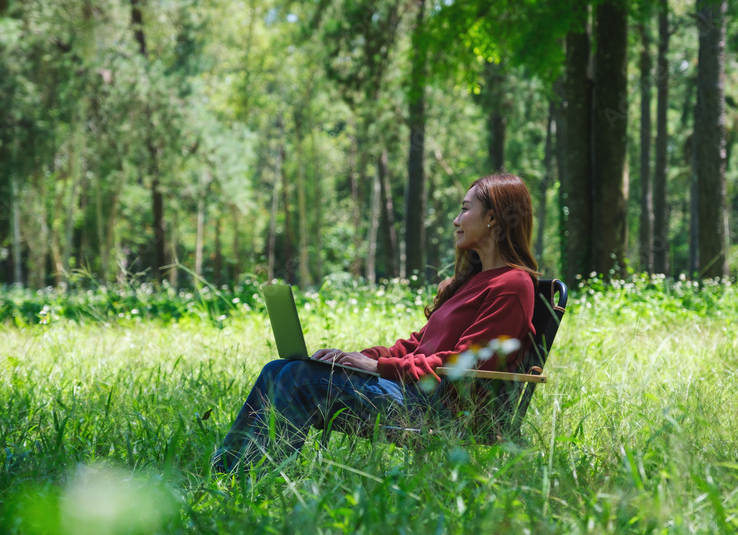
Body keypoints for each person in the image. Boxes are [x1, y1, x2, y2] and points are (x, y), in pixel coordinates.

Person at [212, 172, 540, 473]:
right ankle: (222, 474)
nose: (456, 221)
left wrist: (379, 369)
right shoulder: (472, 281)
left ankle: (252, 477)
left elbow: (466, 363)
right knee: (276, 368)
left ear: (493, 218)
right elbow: (414, 346)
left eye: (465, 210)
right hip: (415, 392)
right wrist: (359, 358)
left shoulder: (512, 285)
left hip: (443, 408)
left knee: (299, 378)